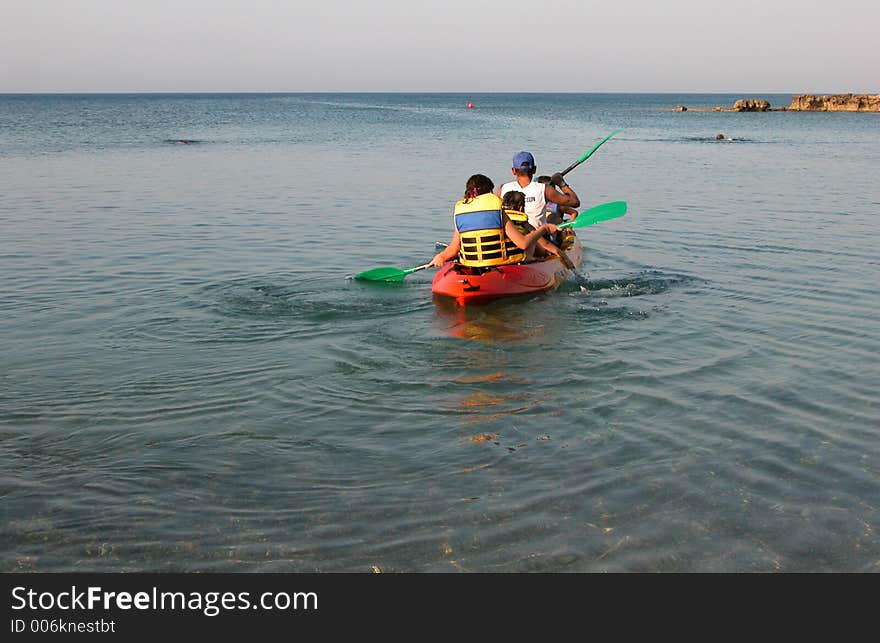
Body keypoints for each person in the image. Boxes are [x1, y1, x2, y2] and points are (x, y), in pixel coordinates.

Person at [431, 174, 564, 268]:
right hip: (502, 264)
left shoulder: (461, 211)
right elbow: (522, 244)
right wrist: (544, 229)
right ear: (489, 192)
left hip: (474, 266)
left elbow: (454, 249)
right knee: (531, 243)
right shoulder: (496, 209)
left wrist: (441, 257)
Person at [497, 151, 580, 230]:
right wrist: (561, 183)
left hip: (511, 237)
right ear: (534, 170)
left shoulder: (503, 188)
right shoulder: (544, 189)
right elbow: (575, 202)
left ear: (513, 171)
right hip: (538, 238)